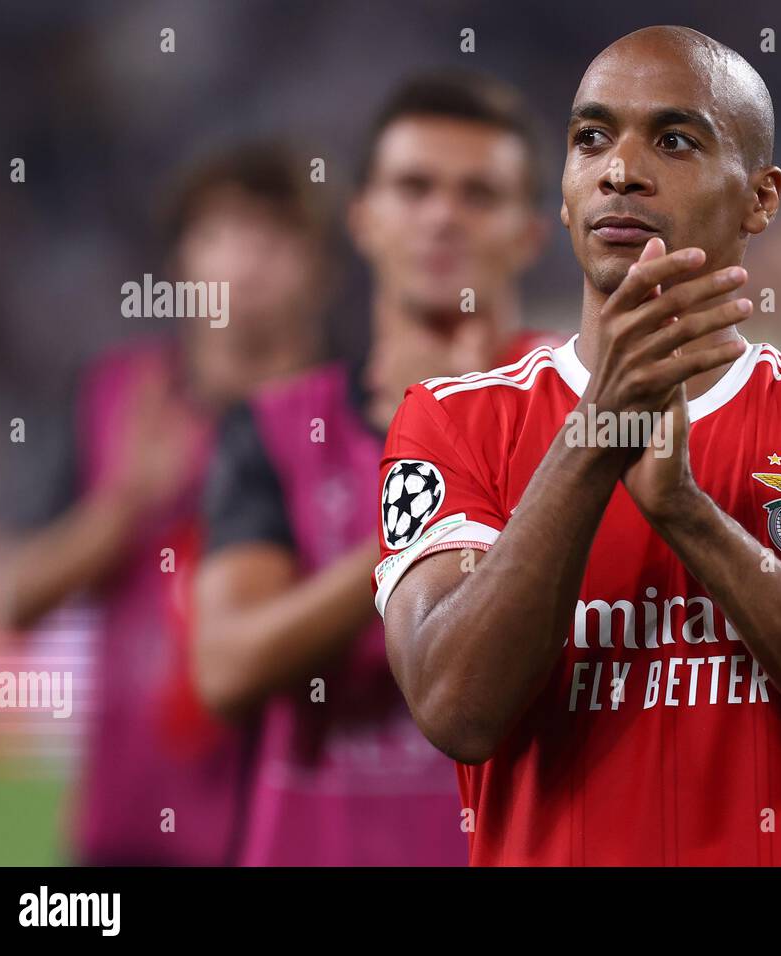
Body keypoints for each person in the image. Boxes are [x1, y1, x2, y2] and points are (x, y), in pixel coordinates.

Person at [375, 27, 781, 866]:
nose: (621, 169)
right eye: (591, 139)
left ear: (761, 199)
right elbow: (457, 709)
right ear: (566, 194)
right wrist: (595, 435)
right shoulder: (452, 422)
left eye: (674, 140)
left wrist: (689, 513)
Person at [193, 71, 557, 865]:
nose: (441, 216)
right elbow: (226, 667)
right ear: (363, 218)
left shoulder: (587, 415)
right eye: (414, 187)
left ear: (530, 233)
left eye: (478, 195)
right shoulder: (275, 428)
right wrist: (414, 519)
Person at [0, 143, 331, 864]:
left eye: (274, 234)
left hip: (275, 833)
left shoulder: (352, 421)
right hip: (122, 832)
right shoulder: (116, 394)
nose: (247, 259)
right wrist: (124, 505)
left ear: (320, 266)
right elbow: (17, 600)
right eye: (221, 231)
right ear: (181, 259)